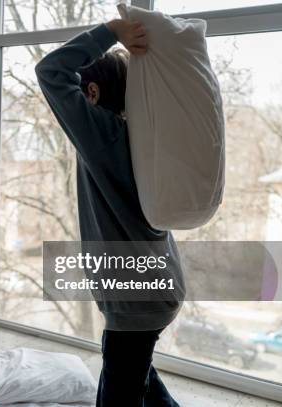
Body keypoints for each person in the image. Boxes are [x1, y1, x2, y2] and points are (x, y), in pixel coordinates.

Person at [35, 19, 183, 406]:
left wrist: (111, 32)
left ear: (94, 91)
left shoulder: (105, 136)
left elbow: (50, 71)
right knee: (138, 376)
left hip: (137, 300)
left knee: (118, 391)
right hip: (153, 289)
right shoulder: (139, 136)